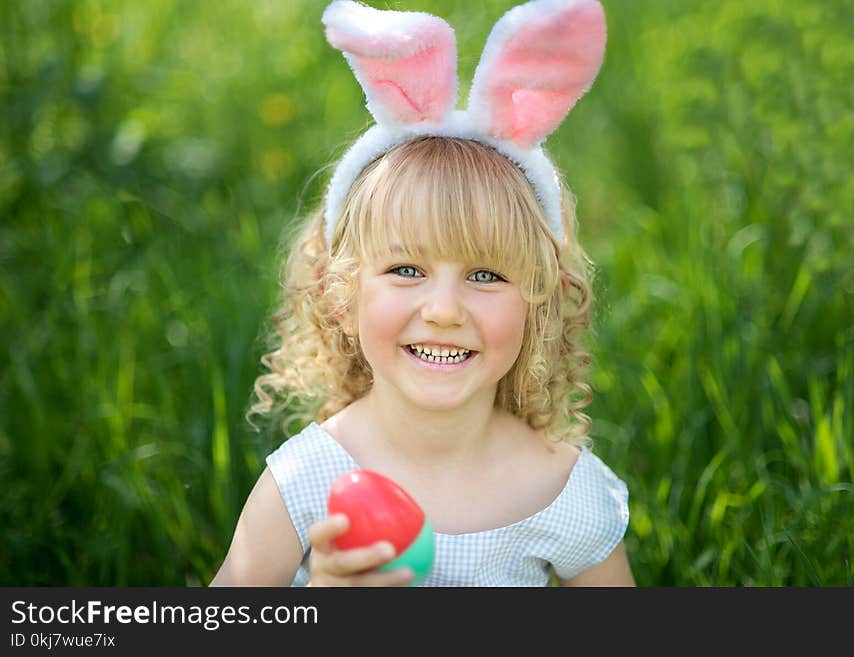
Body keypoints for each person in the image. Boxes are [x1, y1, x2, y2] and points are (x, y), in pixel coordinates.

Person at [211, 0, 635, 587]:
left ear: (538, 304)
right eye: (406, 269)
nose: (442, 311)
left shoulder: (559, 489)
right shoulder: (310, 480)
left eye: (486, 276)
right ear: (342, 298)